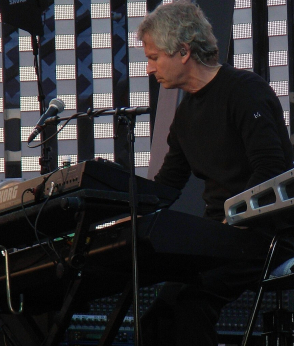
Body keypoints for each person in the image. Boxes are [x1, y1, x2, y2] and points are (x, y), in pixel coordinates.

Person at [137, 1, 294, 345]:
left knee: (187, 306)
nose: (149, 69)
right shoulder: (185, 116)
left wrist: (230, 223)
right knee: (158, 318)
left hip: (267, 234)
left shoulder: (244, 91)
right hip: (221, 239)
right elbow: (165, 187)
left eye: (153, 58)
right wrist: (119, 210)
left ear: (183, 51)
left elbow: (271, 170)